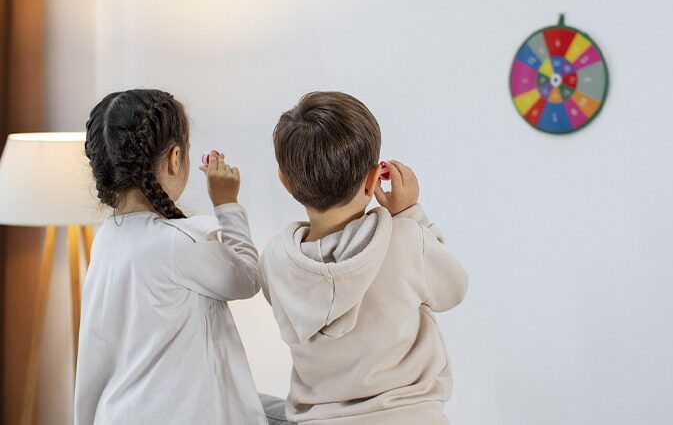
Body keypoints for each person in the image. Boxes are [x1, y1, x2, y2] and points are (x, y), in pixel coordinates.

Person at [75, 89, 288, 424]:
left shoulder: (107, 238)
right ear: (175, 158)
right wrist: (227, 204)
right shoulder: (175, 243)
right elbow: (248, 278)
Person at [260, 91, 468, 424]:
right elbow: (454, 289)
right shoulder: (405, 239)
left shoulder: (274, 259)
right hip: (410, 417)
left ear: (284, 182)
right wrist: (410, 214)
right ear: (373, 180)